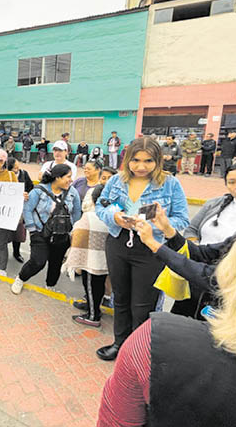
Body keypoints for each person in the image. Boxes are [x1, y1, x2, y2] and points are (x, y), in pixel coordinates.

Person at [98, 219, 236, 427]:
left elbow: (115, 420)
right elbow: (203, 252)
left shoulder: (152, 341)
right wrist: (168, 231)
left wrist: (156, 244)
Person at [94, 137, 189, 361]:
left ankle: (137, 353)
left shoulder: (170, 183)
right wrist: (115, 217)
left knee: (143, 304)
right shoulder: (116, 180)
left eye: (148, 161)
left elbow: (182, 219)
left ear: (157, 161)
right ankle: (120, 343)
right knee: (120, 298)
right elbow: (101, 205)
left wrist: (160, 224)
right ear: (127, 159)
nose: (141, 166)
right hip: (118, 242)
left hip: (151, 247)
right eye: (135, 160)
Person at [134, 189, 236, 319]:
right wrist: (168, 230)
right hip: (201, 306)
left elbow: (213, 278)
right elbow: (202, 253)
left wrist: (153, 244)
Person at [11, 164, 81, 294]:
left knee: (55, 263)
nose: (71, 180)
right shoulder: (38, 191)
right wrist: (32, 230)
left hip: (62, 235)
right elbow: (27, 209)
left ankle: (50, 286)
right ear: (57, 177)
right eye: (68, 177)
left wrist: (73, 232)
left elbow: (76, 212)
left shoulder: (72, 192)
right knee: (38, 262)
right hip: (40, 233)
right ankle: (21, 278)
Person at [63, 184, 110, 327]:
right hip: (105, 260)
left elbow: (77, 233)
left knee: (90, 286)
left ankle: (93, 316)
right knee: (99, 285)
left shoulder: (90, 216)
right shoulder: (113, 218)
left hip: (90, 260)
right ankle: (93, 307)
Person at [8, 157, 34, 263]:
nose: (17, 170)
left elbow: (30, 187)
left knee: (18, 232)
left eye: (17, 167)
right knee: (5, 233)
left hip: (19, 208)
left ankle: (16, 252)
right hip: (7, 209)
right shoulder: (5, 176)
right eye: (14, 168)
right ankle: (2, 253)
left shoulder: (24, 174)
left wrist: (27, 194)